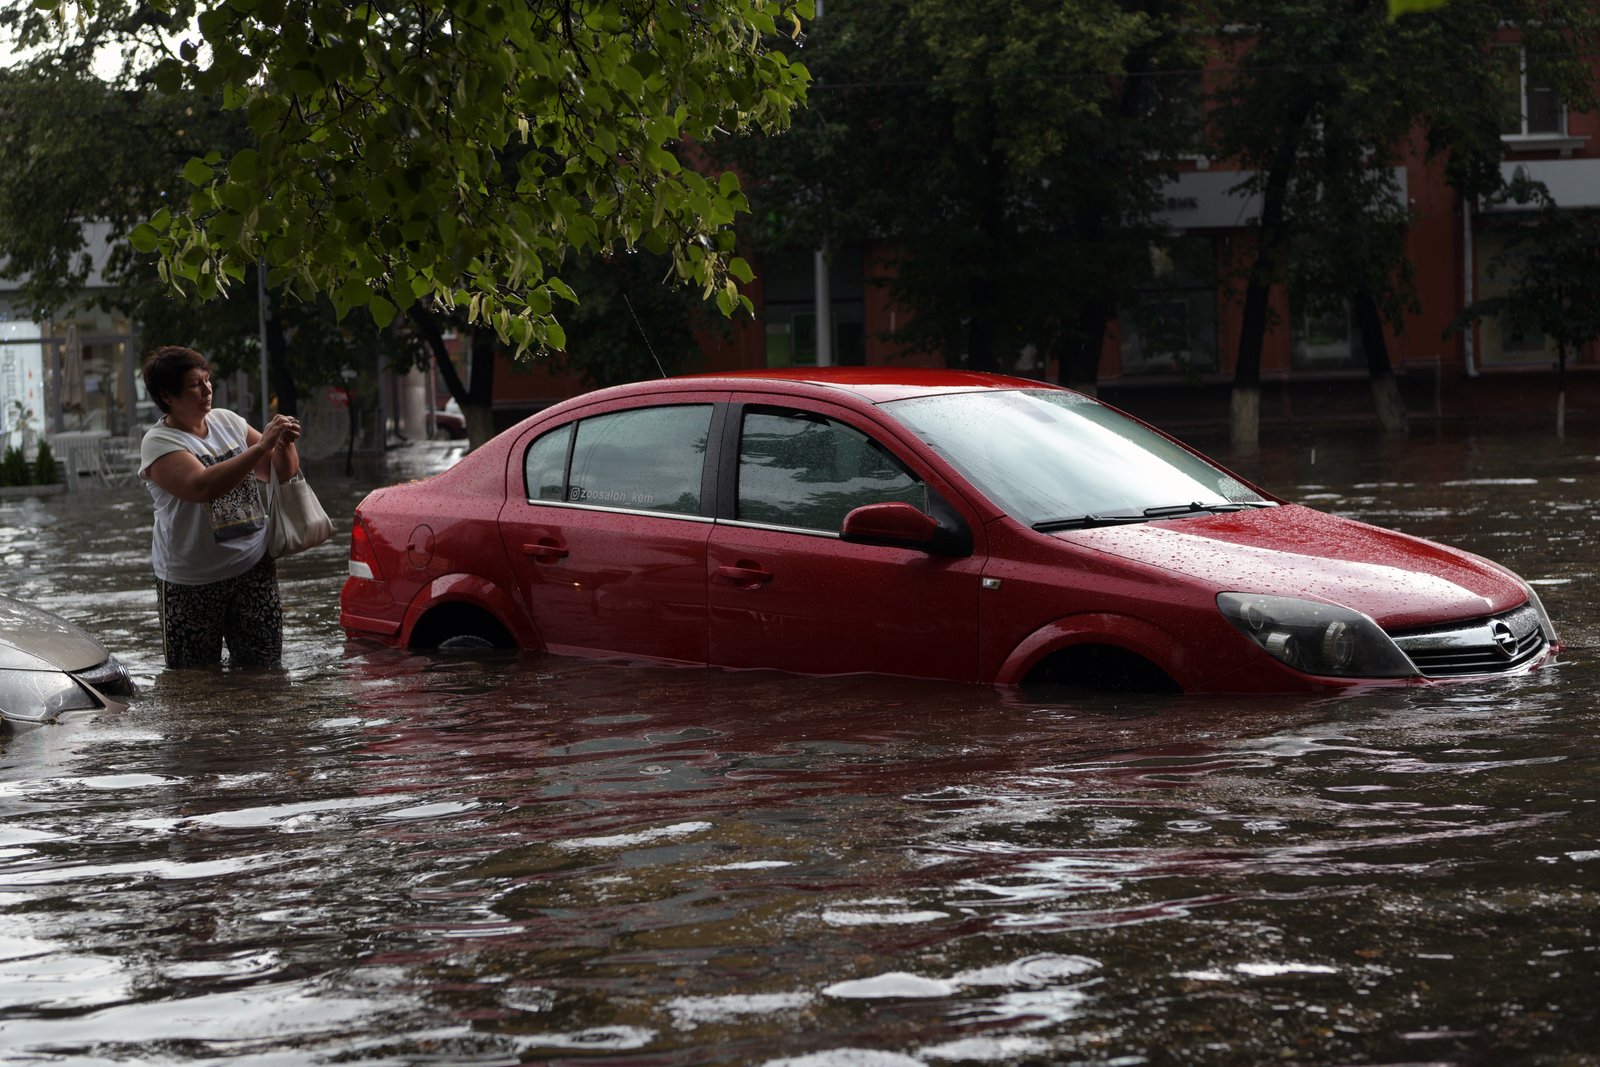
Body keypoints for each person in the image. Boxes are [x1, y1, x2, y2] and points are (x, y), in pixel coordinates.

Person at [137, 345, 303, 668]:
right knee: (193, 683)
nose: (207, 389)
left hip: (254, 566)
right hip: (191, 583)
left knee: (266, 672)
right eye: (195, 384)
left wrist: (284, 444)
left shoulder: (228, 421)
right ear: (168, 396)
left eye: (208, 380)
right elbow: (202, 486)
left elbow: (282, 471)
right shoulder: (158, 442)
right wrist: (263, 446)